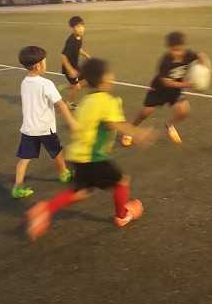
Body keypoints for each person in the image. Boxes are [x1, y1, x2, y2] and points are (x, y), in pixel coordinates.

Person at [25, 58, 153, 241]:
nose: (112, 77)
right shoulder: (107, 101)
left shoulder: (86, 101)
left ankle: (45, 209)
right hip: (94, 157)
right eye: (109, 74)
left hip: (77, 155)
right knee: (122, 182)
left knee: (81, 192)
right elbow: (113, 123)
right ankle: (122, 216)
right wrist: (138, 133)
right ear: (105, 78)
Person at [122, 32, 211, 147]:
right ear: (169, 48)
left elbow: (202, 55)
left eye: (180, 49)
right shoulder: (165, 61)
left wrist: (207, 68)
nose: (177, 53)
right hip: (159, 89)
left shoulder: (188, 54)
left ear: (183, 47)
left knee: (184, 111)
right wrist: (187, 84)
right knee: (145, 113)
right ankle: (130, 130)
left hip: (175, 90)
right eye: (174, 50)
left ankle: (170, 125)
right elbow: (167, 83)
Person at [12, 46, 76, 199]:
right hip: (45, 128)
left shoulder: (24, 82)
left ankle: (17, 187)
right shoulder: (46, 83)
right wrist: (71, 122)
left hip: (29, 128)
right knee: (56, 151)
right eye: (45, 61)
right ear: (38, 65)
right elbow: (60, 104)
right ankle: (63, 173)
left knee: (24, 159)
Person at [60, 16, 91, 109]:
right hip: (69, 68)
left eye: (82, 26)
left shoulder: (79, 37)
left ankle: (66, 86)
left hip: (75, 66)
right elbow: (63, 56)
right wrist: (71, 70)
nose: (81, 28)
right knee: (77, 87)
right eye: (78, 27)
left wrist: (86, 55)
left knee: (87, 79)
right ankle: (69, 103)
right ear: (72, 28)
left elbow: (78, 48)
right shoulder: (71, 41)